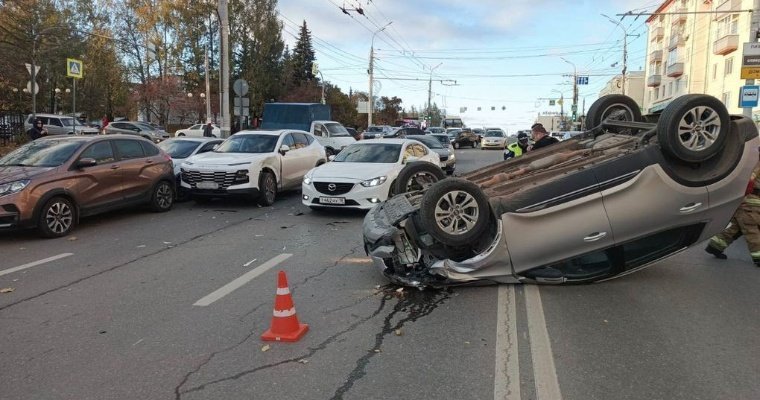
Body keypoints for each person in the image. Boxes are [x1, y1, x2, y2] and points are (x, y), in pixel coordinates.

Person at [705, 158, 760, 267]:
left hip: (749, 202)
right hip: (750, 202)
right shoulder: (757, 163)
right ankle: (758, 257)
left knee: (736, 227)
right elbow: (749, 180)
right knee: (751, 229)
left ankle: (715, 246)